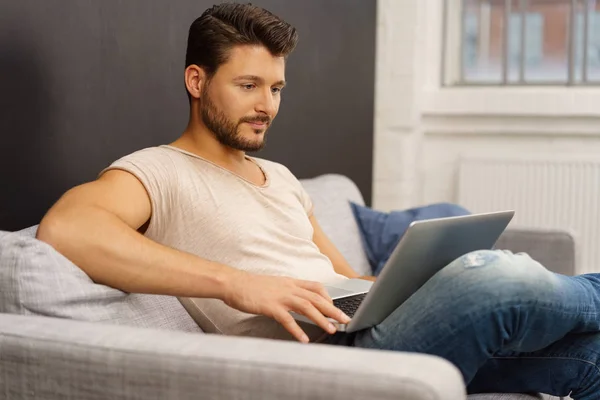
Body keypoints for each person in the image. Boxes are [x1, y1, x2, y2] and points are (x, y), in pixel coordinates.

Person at [37, 3, 600, 398]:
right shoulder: (157, 171)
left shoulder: (281, 176)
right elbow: (67, 229)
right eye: (249, 85)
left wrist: (397, 290)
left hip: (364, 331)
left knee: (591, 356)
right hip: (328, 363)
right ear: (196, 80)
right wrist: (237, 283)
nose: (267, 105)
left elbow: (345, 277)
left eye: (276, 88)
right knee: (493, 276)